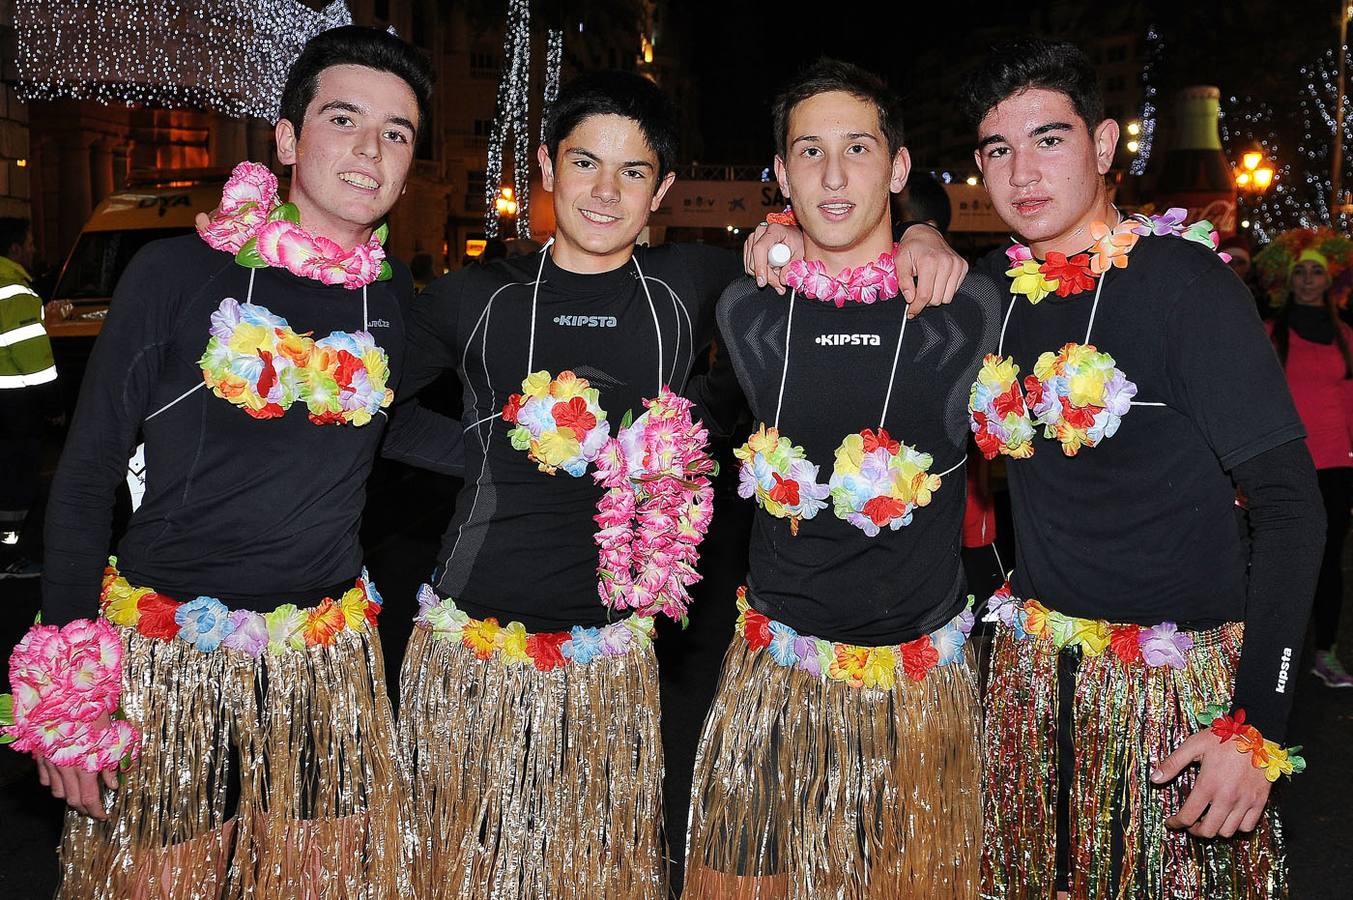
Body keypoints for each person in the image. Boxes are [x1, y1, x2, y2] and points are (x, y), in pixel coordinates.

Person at [380, 69, 966, 899]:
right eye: (585, 164)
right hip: (470, 652)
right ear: (548, 168)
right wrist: (480, 454)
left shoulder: (694, 286)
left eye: (633, 172)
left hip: (613, 663)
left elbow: (820, 248)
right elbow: (366, 411)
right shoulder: (473, 297)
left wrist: (922, 234)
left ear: (661, 191)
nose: (604, 192)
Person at [18, 26, 435, 898]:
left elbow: (381, 428)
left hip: (325, 665)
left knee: (319, 881)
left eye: (396, 133)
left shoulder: (389, 298)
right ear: (286, 139)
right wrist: (68, 691)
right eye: (344, 119)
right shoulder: (175, 275)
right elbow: (89, 472)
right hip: (174, 662)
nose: (370, 149)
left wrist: (538, 446)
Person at [962, 39, 1323, 898]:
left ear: (1104, 143)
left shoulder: (1183, 283)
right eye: (996, 151)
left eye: (1048, 140)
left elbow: (1288, 508)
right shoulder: (990, 294)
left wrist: (1254, 728)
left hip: (1179, 696)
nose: (1022, 174)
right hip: (1035, 681)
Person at [680, 58, 1001, 898]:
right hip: (774, 676)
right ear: (781, 175)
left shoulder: (972, 310)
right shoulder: (745, 306)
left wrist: (929, 236)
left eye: (857, 148)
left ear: (896, 168)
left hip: (916, 686)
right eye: (808, 152)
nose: (833, 174)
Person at [1256, 229, 1353, 688]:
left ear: (1331, 280)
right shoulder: (1269, 333)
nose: (1309, 279)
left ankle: (1324, 652)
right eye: (1301, 272)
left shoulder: (1347, 336)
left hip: (1337, 463)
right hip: (1285, 464)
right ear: (1286, 280)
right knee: (1277, 561)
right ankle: (1271, 657)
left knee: (1329, 560)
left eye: (1317, 271)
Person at [0, 216, 60, 579]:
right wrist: (54, 406)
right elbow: (35, 363)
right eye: (31, 242)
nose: (35, 249)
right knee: (15, 484)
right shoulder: (16, 293)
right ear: (15, 248)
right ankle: (8, 557)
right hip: (13, 409)